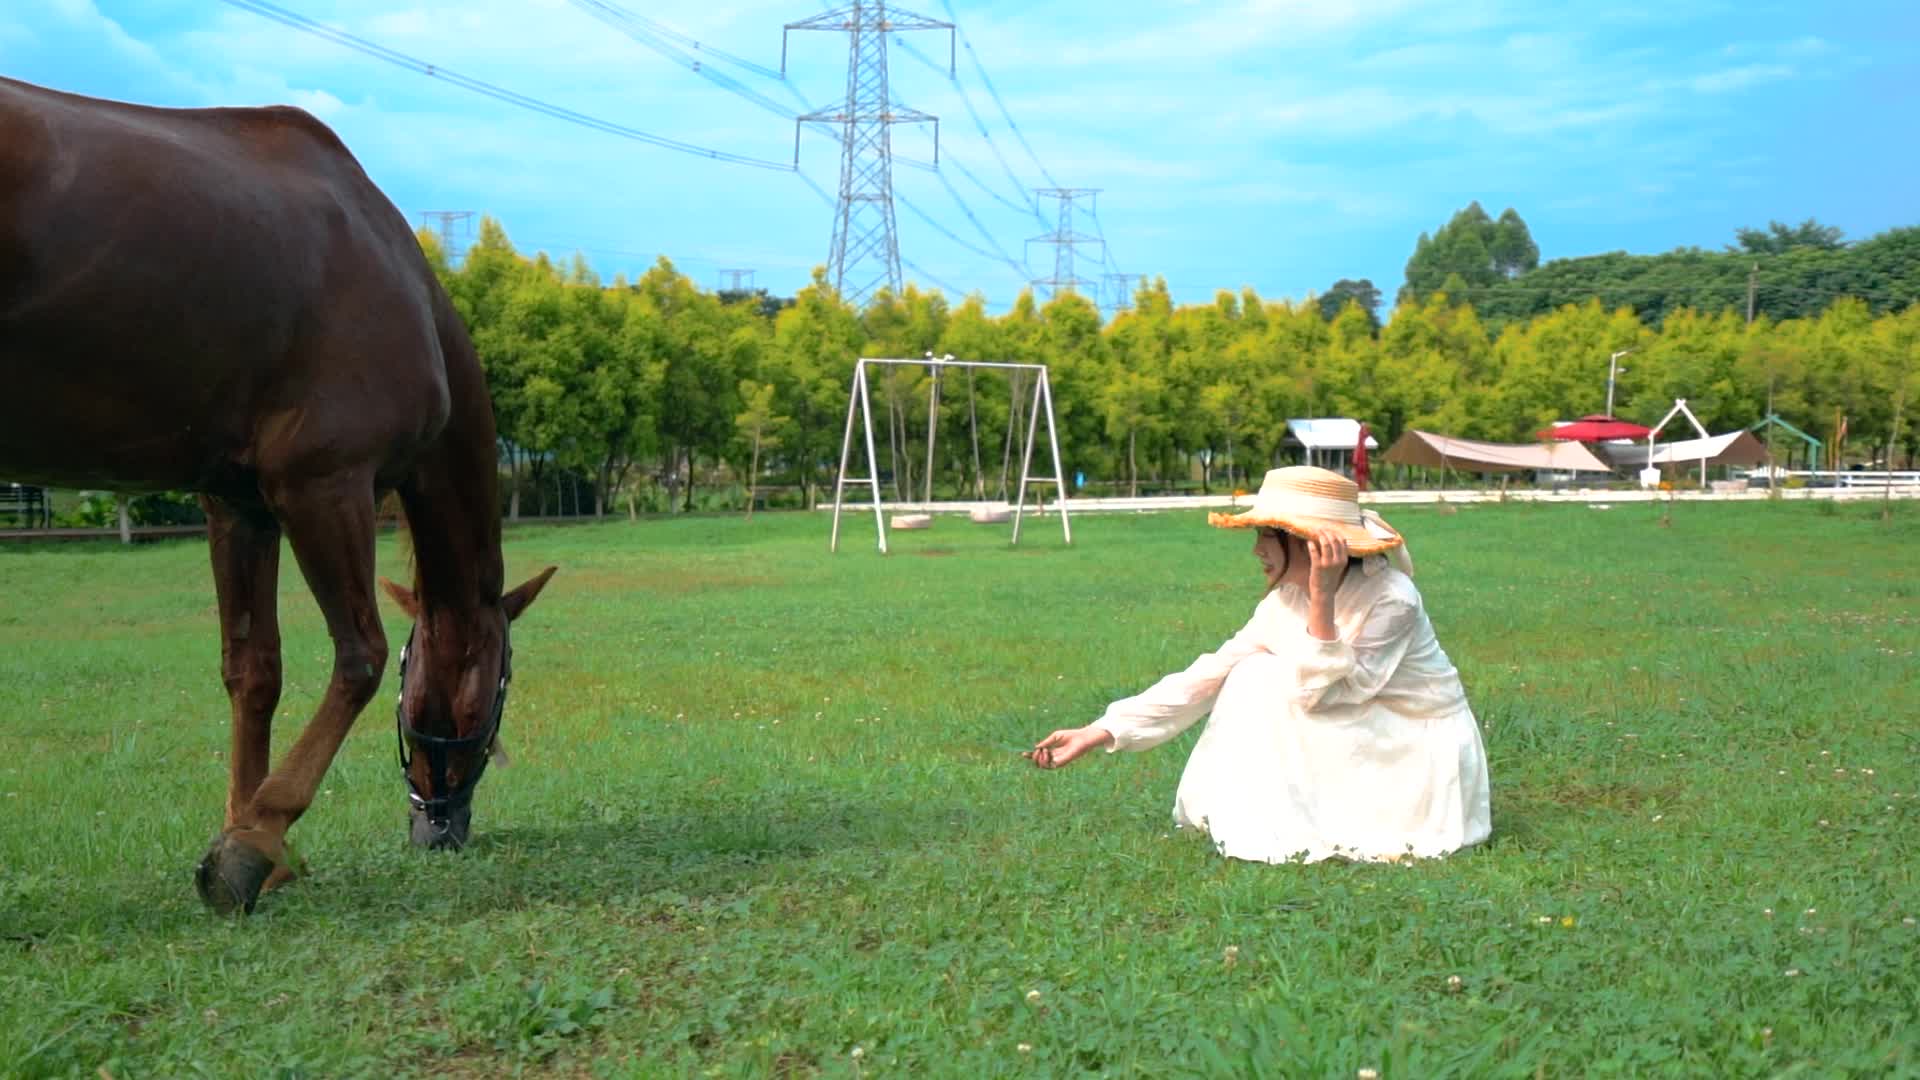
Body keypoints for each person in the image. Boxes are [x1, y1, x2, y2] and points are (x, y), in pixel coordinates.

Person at [1028, 466, 1491, 864]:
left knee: (1264, 679)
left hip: (1414, 756)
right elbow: (1209, 673)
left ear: (1307, 543)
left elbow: (1325, 693)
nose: (1256, 551)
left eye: (1266, 535)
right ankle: (1263, 818)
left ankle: (1300, 823)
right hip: (1358, 733)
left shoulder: (1392, 599)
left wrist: (1322, 598)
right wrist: (1101, 731)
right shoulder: (1284, 601)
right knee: (1248, 673)